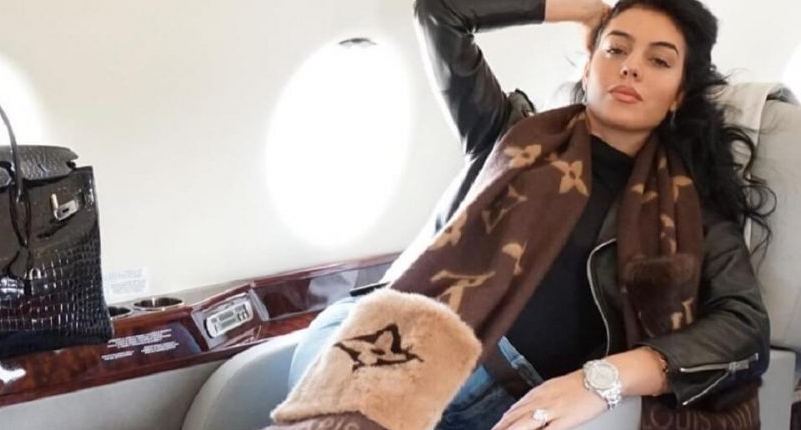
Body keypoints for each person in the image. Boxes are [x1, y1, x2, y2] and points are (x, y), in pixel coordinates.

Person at [287, 0, 775, 429]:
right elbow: (441, 12)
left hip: (508, 395)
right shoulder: (510, 135)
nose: (630, 68)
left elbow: (745, 326)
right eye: (615, 49)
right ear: (588, 69)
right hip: (397, 332)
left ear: (679, 96)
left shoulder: (691, 211)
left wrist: (603, 379)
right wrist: (584, 11)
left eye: (659, 61)